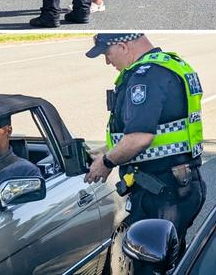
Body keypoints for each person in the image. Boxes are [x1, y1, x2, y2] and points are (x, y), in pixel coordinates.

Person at [84, 33, 206, 259]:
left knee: (149, 262)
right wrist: (106, 151)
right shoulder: (169, 65)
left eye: (107, 53)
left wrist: (108, 161)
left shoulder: (145, 77)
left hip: (162, 192)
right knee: (171, 258)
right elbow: (163, 129)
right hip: (179, 183)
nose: (107, 61)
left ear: (122, 46)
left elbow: (139, 137)